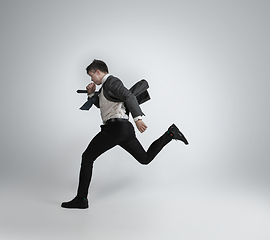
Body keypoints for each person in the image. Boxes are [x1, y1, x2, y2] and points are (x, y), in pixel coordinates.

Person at [61, 59, 189, 209]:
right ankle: (170, 134)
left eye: (91, 76)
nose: (91, 79)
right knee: (145, 158)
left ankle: (81, 199)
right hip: (123, 130)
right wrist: (90, 94)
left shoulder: (112, 82)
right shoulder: (104, 88)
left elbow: (129, 96)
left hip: (115, 129)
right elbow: (103, 106)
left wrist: (138, 119)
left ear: (98, 72)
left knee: (87, 157)